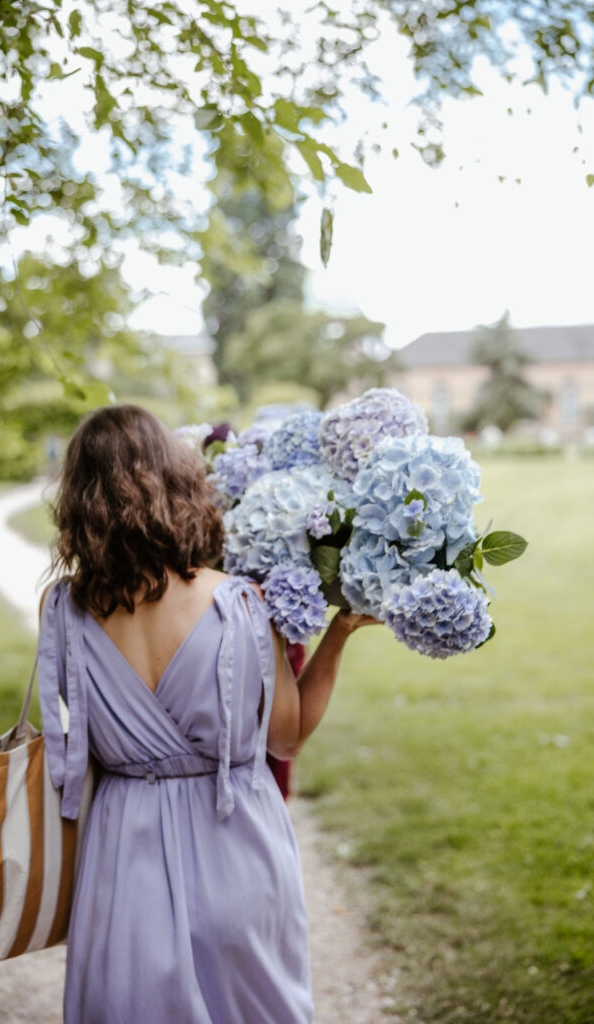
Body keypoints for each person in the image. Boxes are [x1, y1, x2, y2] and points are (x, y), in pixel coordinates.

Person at [38, 404, 377, 1024]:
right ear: (176, 481)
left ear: (78, 500)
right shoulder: (238, 603)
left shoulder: (62, 608)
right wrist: (339, 634)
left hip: (122, 846)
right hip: (233, 841)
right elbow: (287, 740)